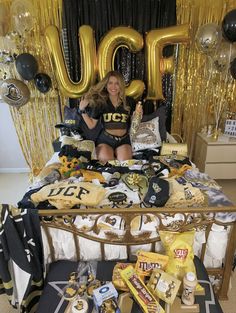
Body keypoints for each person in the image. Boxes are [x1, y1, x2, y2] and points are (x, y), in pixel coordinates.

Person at [78, 71, 143, 162]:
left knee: (125, 162)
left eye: (117, 83)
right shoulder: (101, 102)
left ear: (121, 85)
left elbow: (133, 125)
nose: (113, 87)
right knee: (107, 162)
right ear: (106, 85)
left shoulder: (129, 101)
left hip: (123, 140)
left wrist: (138, 114)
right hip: (106, 140)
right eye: (110, 83)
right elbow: (91, 125)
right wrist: (82, 110)